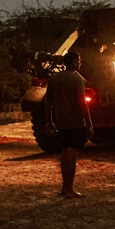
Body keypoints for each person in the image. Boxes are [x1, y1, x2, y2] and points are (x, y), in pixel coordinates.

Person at [44, 51, 93, 198]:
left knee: (65, 154)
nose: (80, 63)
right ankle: (69, 189)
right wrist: (89, 123)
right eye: (79, 60)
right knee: (72, 155)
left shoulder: (54, 78)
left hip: (61, 121)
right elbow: (82, 103)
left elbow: (48, 101)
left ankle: (64, 187)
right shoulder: (76, 79)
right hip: (75, 121)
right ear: (73, 62)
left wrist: (49, 121)